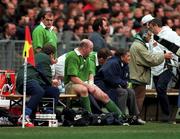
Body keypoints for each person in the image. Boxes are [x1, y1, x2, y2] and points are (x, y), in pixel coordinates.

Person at [64, 39, 125, 119]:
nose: (92, 50)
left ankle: (121, 117)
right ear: (84, 48)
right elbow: (73, 78)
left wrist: (91, 84)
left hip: (84, 83)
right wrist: (88, 86)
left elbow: (91, 73)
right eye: (91, 48)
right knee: (84, 89)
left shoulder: (88, 57)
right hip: (70, 84)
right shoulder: (72, 56)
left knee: (104, 96)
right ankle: (89, 117)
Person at [95, 48, 145, 125]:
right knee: (123, 92)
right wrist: (123, 83)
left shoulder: (125, 65)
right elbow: (108, 77)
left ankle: (134, 117)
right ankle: (120, 117)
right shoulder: (113, 62)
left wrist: (124, 83)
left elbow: (125, 79)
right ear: (122, 57)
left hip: (112, 86)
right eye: (128, 56)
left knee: (131, 91)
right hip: (103, 86)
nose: (129, 58)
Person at [129, 28, 172, 115]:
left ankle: (134, 117)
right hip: (139, 75)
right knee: (139, 97)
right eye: (149, 35)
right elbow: (150, 59)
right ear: (144, 35)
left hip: (137, 74)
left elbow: (149, 56)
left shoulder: (138, 44)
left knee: (137, 97)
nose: (150, 37)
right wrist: (163, 56)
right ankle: (136, 117)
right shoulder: (139, 46)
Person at [16, 44, 60, 127]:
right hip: (28, 79)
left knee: (54, 91)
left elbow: (42, 75)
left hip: (26, 80)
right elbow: (47, 77)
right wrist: (53, 82)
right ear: (51, 54)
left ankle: (48, 114)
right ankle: (24, 116)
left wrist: (50, 83)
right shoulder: (45, 58)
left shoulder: (38, 56)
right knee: (39, 91)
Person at [148, 18, 180, 121]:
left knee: (161, 87)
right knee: (159, 90)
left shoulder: (170, 34)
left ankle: (167, 114)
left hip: (168, 66)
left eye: (150, 26)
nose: (149, 29)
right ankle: (166, 114)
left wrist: (173, 57)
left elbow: (178, 48)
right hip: (156, 67)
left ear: (155, 25)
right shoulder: (152, 37)